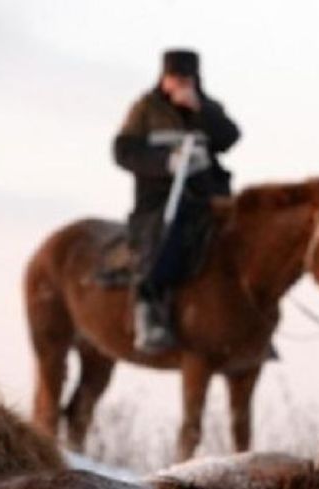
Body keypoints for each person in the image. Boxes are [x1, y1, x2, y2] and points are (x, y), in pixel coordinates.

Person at [113, 49, 241, 353]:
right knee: (167, 236)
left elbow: (230, 137)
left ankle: (246, 315)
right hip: (160, 197)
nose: (179, 84)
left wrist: (200, 112)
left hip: (208, 193)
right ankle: (149, 309)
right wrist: (166, 163)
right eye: (174, 77)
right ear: (163, 77)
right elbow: (123, 151)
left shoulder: (208, 107)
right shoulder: (145, 108)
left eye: (186, 78)